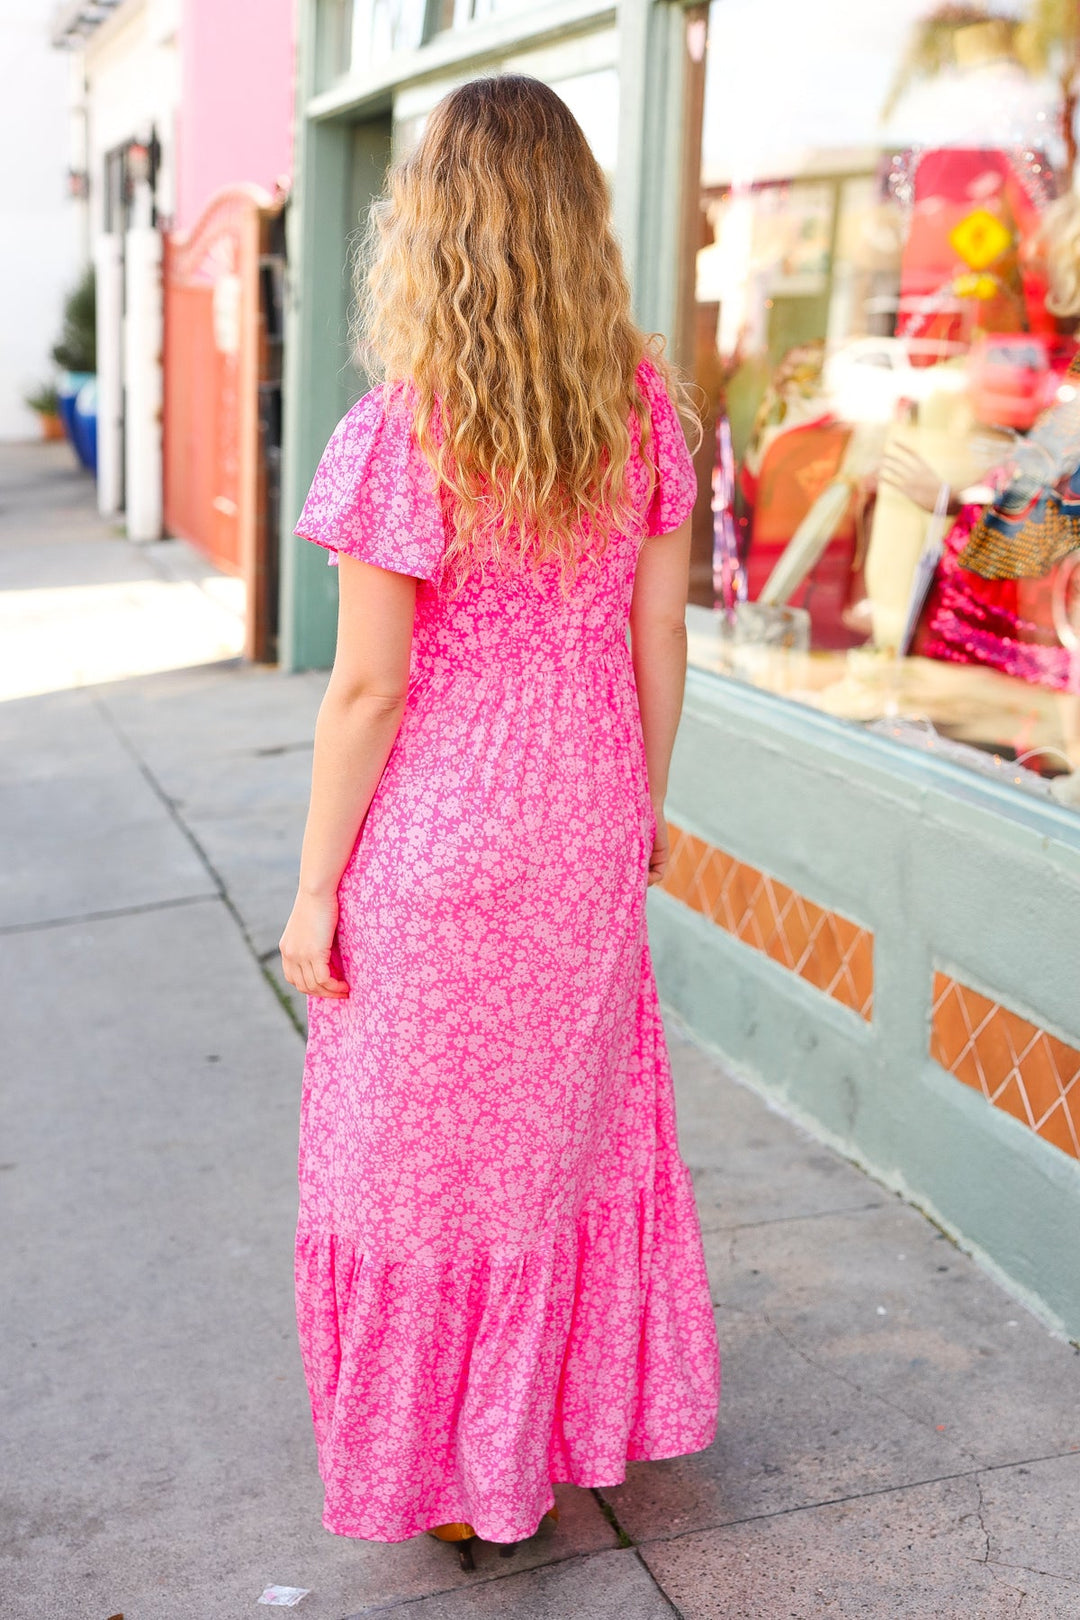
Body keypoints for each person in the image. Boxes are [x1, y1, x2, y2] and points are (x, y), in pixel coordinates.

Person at [279, 74, 721, 1566]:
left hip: (444, 847)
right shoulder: (643, 404)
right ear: (582, 223)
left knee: (409, 1162)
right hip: (587, 816)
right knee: (560, 1145)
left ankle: (458, 1474)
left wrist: (313, 890)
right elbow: (660, 644)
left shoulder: (404, 429)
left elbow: (366, 692)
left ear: (434, 228)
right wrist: (644, 807)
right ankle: (548, 1434)